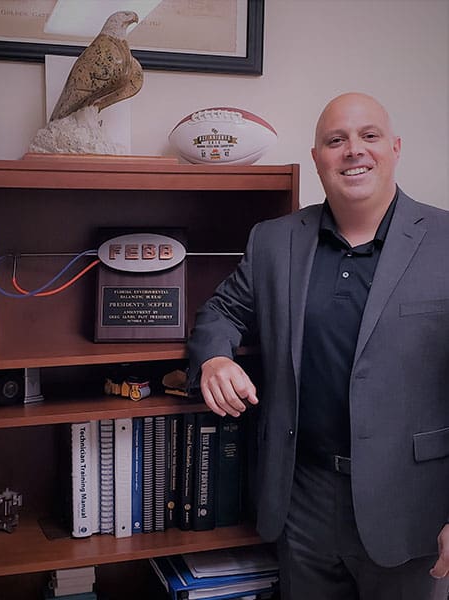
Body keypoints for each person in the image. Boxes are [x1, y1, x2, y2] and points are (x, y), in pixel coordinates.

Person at [187, 92, 449, 600]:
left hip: (412, 508)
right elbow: (220, 311)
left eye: (368, 136)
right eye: (336, 140)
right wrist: (216, 357)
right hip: (301, 500)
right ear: (316, 158)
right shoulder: (274, 240)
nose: (354, 150)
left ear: (394, 147)